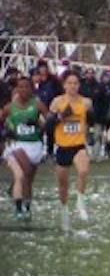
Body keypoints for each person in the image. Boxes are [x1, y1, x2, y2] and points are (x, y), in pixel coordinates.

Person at [49, 71, 93, 228]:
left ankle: (80, 202)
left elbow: (92, 120)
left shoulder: (86, 102)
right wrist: (61, 117)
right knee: (63, 185)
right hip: (62, 146)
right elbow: (48, 125)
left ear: (79, 85)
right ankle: (64, 211)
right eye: (70, 83)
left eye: (75, 83)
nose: (73, 86)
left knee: (83, 171)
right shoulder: (57, 102)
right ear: (64, 85)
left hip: (78, 145)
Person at [7, 75, 45, 222]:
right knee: (21, 175)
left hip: (34, 146)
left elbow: (48, 123)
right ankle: (17, 209)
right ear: (16, 89)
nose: (23, 90)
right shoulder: (10, 107)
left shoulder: (38, 105)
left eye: (26, 86)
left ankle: (27, 207)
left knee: (28, 179)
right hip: (16, 146)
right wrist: (6, 132)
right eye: (20, 87)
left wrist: (36, 123)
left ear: (31, 88)